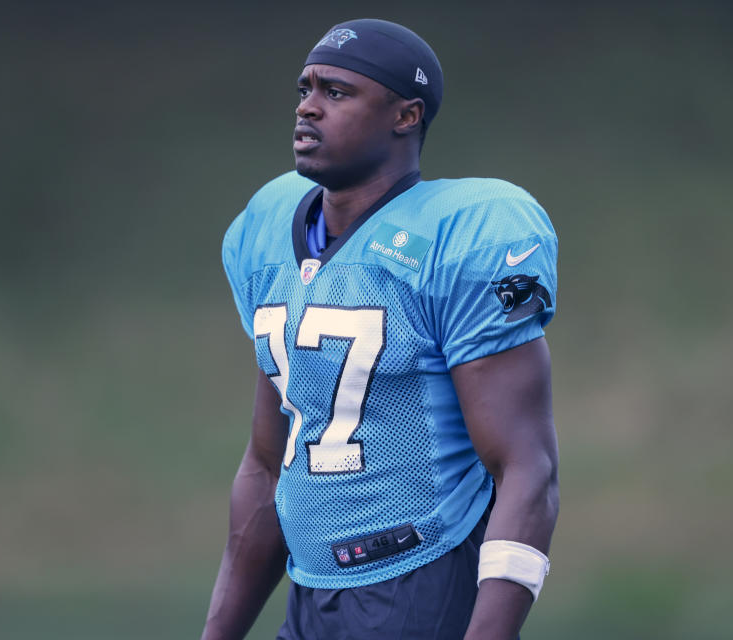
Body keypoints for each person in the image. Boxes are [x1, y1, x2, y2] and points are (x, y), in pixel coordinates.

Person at [203, 18, 559, 640]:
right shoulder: (267, 228)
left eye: (337, 92)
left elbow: (527, 467)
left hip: (420, 578)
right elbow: (267, 462)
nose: (308, 108)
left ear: (406, 115)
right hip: (309, 588)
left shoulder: (462, 233)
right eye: (305, 88)